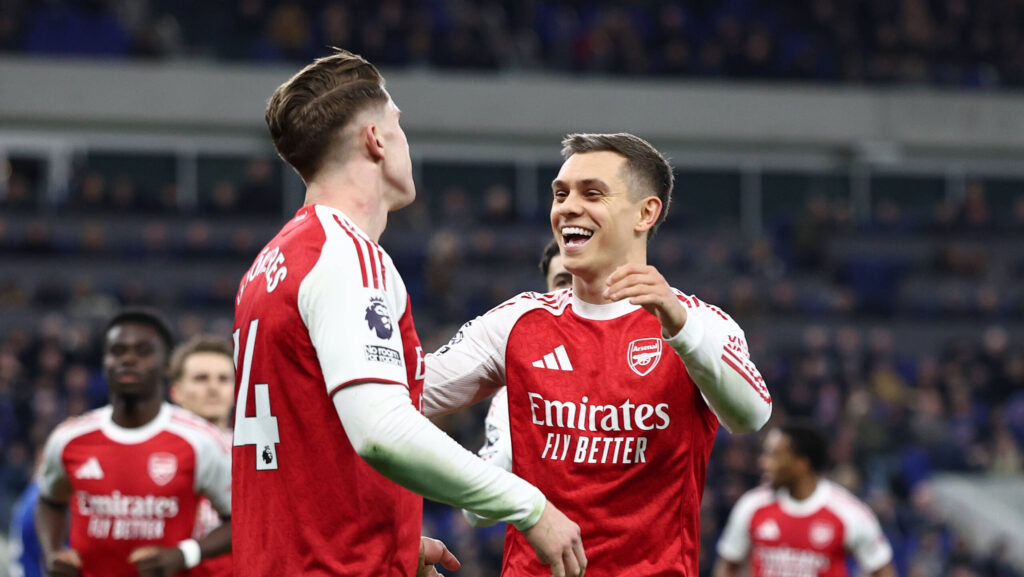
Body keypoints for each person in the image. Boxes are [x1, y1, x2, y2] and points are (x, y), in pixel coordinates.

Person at [232, 48, 585, 577]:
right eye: (399, 124)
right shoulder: (349, 256)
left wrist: (390, 538)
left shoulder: (272, 262)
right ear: (376, 139)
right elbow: (381, 429)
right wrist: (529, 506)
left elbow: (315, 430)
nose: (404, 140)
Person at [424, 132, 773, 576]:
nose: (568, 206)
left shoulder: (698, 324)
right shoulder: (515, 323)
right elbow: (397, 398)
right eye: (560, 193)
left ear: (646, 212)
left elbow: (752, 416)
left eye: (592, 193)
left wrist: (680, 328)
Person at [35, 309, 232, 577]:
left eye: (143, 351)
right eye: (117, 351)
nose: (128, 359)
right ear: (104, 361)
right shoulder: (68, 438)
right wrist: (51, 553)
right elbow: (49, 501)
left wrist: (184, 555)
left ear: (165, 365)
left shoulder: (200, 441)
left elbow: (242, 519)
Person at [464, 238, 571, 527]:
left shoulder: (651, 362)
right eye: (563, 282)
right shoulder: (517, 392)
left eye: (583, 279)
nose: (573, 292)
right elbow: (475, 510)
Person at [714, 423, 896, 577]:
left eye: (774, 456)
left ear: (802, 463)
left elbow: (881, 569)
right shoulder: (752, 505)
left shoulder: (848, 512)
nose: (764, 463)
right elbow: (728, 565)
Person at [168, 335, 236, 577]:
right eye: (201, 378)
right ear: (176, 391)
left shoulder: (259, 453)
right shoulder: (155, 448)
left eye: (224, 379)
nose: (213, 387)